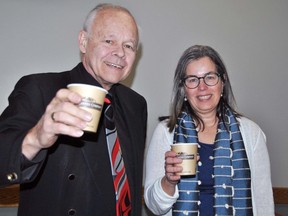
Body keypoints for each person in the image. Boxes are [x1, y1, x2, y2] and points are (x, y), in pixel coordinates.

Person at [0, 3, 147, 216]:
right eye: (109, 41)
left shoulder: (136, 104)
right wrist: (36, 138)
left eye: (129, 46)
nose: (119, 53)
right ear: (84, 42)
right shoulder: (41, 89)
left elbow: (130, 184)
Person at [144, 45, 274, 215]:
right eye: (192, 79)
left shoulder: (251, 133)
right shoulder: (166, 132)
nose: (202, 87)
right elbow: (154, 206)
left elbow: (263, 201)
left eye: (210, 77)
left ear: (222, 82)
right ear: (183, 89)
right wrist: (169, 181)